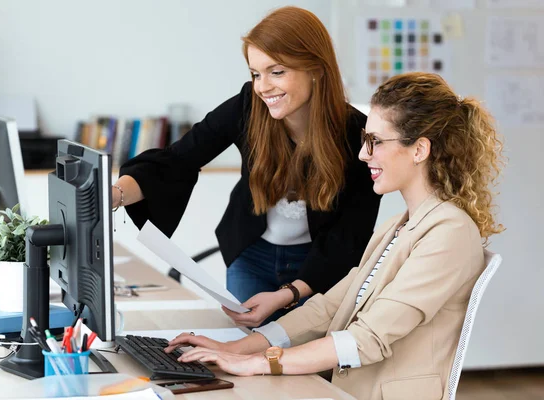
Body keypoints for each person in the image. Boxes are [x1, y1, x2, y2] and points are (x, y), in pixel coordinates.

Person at [164, 72, 505, 400]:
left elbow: (365, 340)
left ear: (419, 150)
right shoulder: (399, 225)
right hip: (347, 388)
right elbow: (331, 307)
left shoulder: (450, 233)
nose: (362, 155)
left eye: (375, 142)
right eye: (364, 141)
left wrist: (255, 363)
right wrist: (238, 348)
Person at [113, 6, 381, 326]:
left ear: (316, 69)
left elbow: (348, 238)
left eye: (276, 71)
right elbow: (178, 159)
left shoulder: (358, 135)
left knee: (305, 363)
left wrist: (289, 294)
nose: (263, 87)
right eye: (256, 74)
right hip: (251, 256)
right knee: (251, 352)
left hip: (320, 266)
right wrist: (114, 194)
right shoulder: (248, 106)